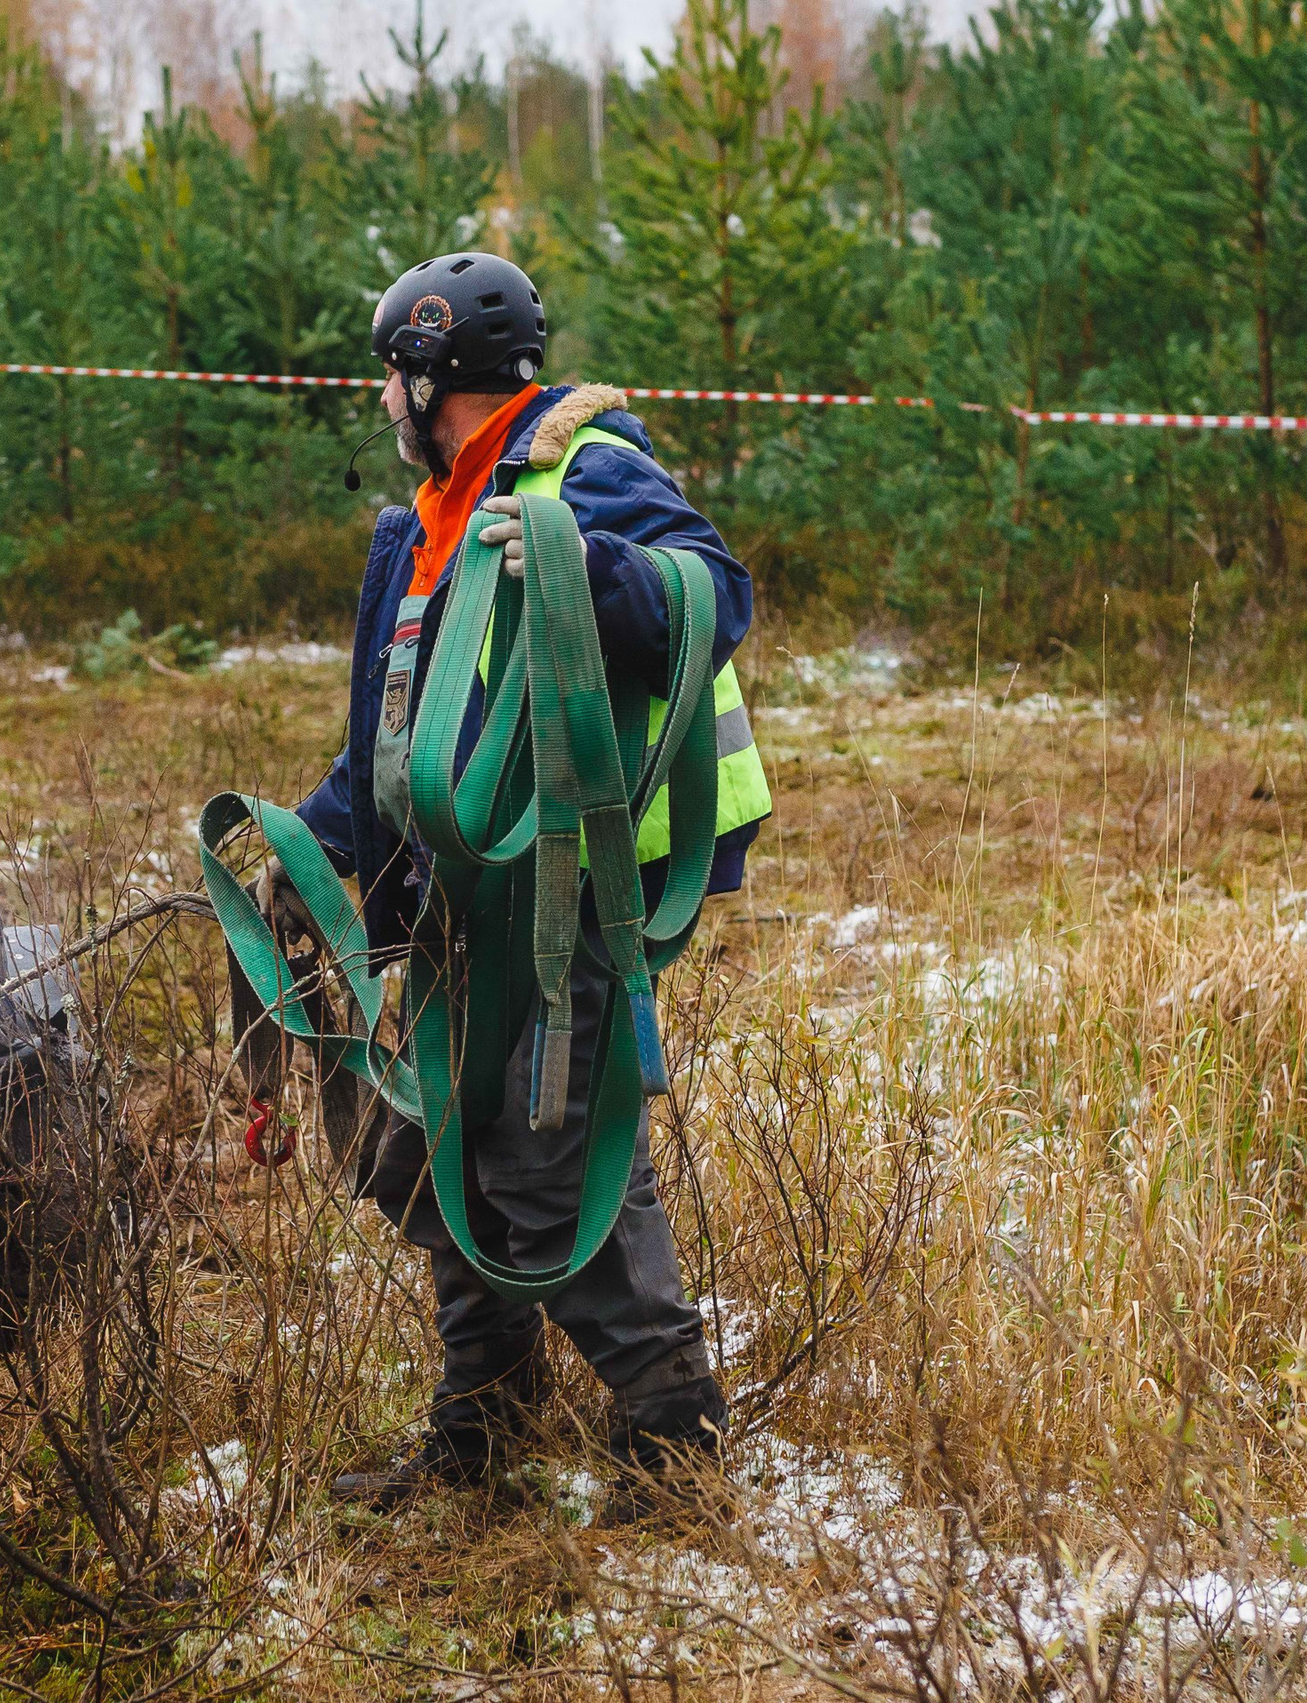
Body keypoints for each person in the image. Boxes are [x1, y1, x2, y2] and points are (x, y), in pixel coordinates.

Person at [295, 253, 773, 1516]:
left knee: (550, 1157)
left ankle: (674, 1444)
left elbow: (712, 597)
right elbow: (405, 728)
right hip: (458, 900)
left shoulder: (582, 465)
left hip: (564, 893)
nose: (379, 406)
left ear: (422, 376)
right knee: (424, 1149)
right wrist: (303, 843)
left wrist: (580, 563)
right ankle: (484, 1425)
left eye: (386, 382)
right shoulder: (434, 514)